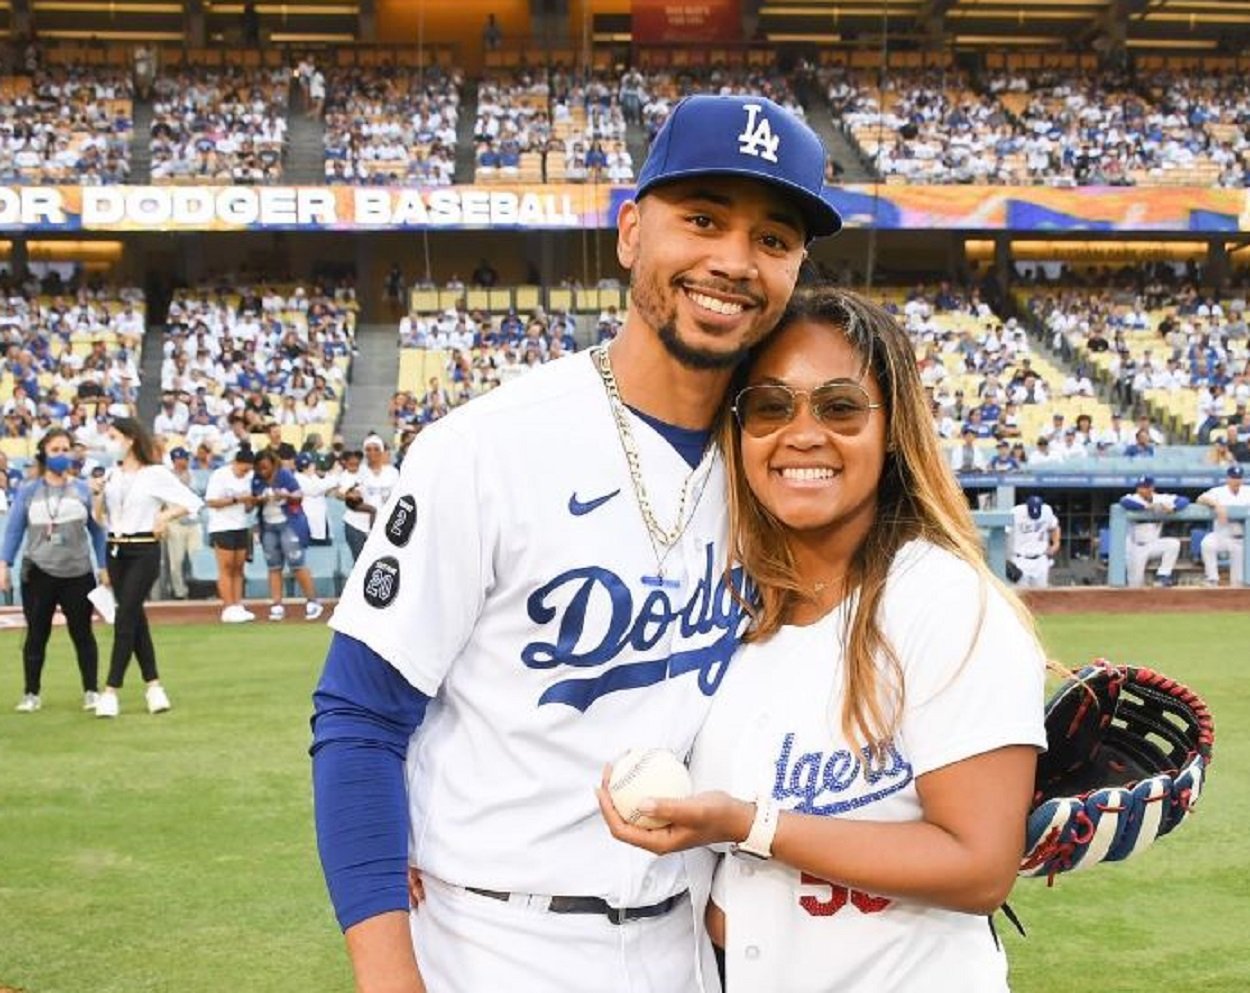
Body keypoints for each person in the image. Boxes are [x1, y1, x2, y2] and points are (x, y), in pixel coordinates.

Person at [310, 94, 841, 993]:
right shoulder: (484, 448)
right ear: (631, 231)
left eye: (773, 239)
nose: (733, 260)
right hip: (494, 938)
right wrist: (389, 977)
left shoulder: (778, 467)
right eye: (702, 218)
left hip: (691, 943)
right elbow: (360, 716)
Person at [597, 288, 1047, 993]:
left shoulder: (945, 602)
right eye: (770, 407)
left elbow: (980, 867)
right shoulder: (730, 614)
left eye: (839, 407)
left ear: (892, 428)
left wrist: (750, 824)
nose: (802, 434)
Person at [92, 418, 203, 718]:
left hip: (144, 548)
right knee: (134, 617)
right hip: (116, 548)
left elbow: (192, 502)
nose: (110, 443)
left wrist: (164, 517)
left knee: (125, 615)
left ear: (129, 439)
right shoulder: (112, 475)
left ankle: (111, 689)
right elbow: (99, 517)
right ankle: (153, 685)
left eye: (114, 436)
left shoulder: (154, 473)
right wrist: (97, 493)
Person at [1, 428, 109, 713]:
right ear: (44, 453)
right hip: (38, 572)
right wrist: (4, 564)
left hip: (77, 572)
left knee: (82, 633)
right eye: (55, 450)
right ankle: (31, 693)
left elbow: (98, 531)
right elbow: (14, 530)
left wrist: (102, 565)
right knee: (36, 634)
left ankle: (91, 691)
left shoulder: (83, 490)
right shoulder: (29, 491)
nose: (62, 455)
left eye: (65, 449)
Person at [248, 448, 323, 622]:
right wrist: (259, 500)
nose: (263, 471)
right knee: (273, 566)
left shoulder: (284, 475)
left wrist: (285, 495)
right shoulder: (257, 479)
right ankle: (277, 604)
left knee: (297, 564)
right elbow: (252, 501)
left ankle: (312, 601)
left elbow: (298, 495)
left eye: (265, 467)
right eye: (260, 468)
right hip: (268, 525)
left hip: (288, 523)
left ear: (273, 464)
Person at [204, 447, 256, 623]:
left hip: (241, 525)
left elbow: (248, 507)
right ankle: (228, 606)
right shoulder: (220, 475)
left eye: (248, 470)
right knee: (226, 567)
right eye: (243, 469)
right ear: (235, 463)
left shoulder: (250, 478)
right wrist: (236, 500)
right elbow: (211, 501)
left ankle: (237, 604)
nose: (245, 473)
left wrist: (249, 502)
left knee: (238, 567)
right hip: (222, 526)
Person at [336, 435, 399, 563]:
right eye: (368, 449)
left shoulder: (392, 473)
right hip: (356, 524)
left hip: (382, 525)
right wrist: (349, 495)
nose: (372, 453)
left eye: (376, 449)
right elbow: (340, 493)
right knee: (360, 564)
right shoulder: (356, 471)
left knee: (380, 564)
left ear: (382, 451)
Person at [1120, 475, 1189, 588]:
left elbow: (1184, 500)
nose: (1141, 490)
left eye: (1145, 487)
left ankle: (1163, 575)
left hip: (1153, 544)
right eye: (1140, 487)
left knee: (1173, 544)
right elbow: (1124, 502)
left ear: (1151, 488)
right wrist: (1147, 507)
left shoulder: (1160, 498)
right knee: (1135, 585)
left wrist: (1173, 508)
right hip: (1135, 547)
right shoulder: (1133, 498)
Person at [1196, 464, 1250, 587]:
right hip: (1222, 535)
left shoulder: (1248, 491)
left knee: (1238, 583)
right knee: (1207, 543)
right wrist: (1217, 505)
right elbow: (1200, 499)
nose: (1236, 480)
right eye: (1233, 477)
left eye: (1239, 478)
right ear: (1228, 478)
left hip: (1242, 540)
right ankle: (1212, 578)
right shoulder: (1219, 491)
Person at [162, 446, 203, 599]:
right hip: (175, 523)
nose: (183, 461)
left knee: (197, 558)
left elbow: (199, 497)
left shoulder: (194, 475)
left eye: (185, 458)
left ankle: (198, 590)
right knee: (176, 562)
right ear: (174, 460)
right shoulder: (167, 478)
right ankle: (180, 592)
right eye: (180, 458)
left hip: (193, 522)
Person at [1010, 493, 1061, 587]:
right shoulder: (1016, 512)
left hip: (1041, 559)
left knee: (1042, 592)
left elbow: (1055, 527)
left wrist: (1056, 543)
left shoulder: (1047, 511)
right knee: (1021, 593)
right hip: (1021, 560)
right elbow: (1003, 532)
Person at [295, 451, 335, 546]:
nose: (314, 466)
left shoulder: (313, 477)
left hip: (320, 515)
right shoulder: (298, 478)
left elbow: (324, 486)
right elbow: (315, 490)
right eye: (311, 464)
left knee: (324, 541)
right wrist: (333, 478)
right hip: (308, 516)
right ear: (305, 467)